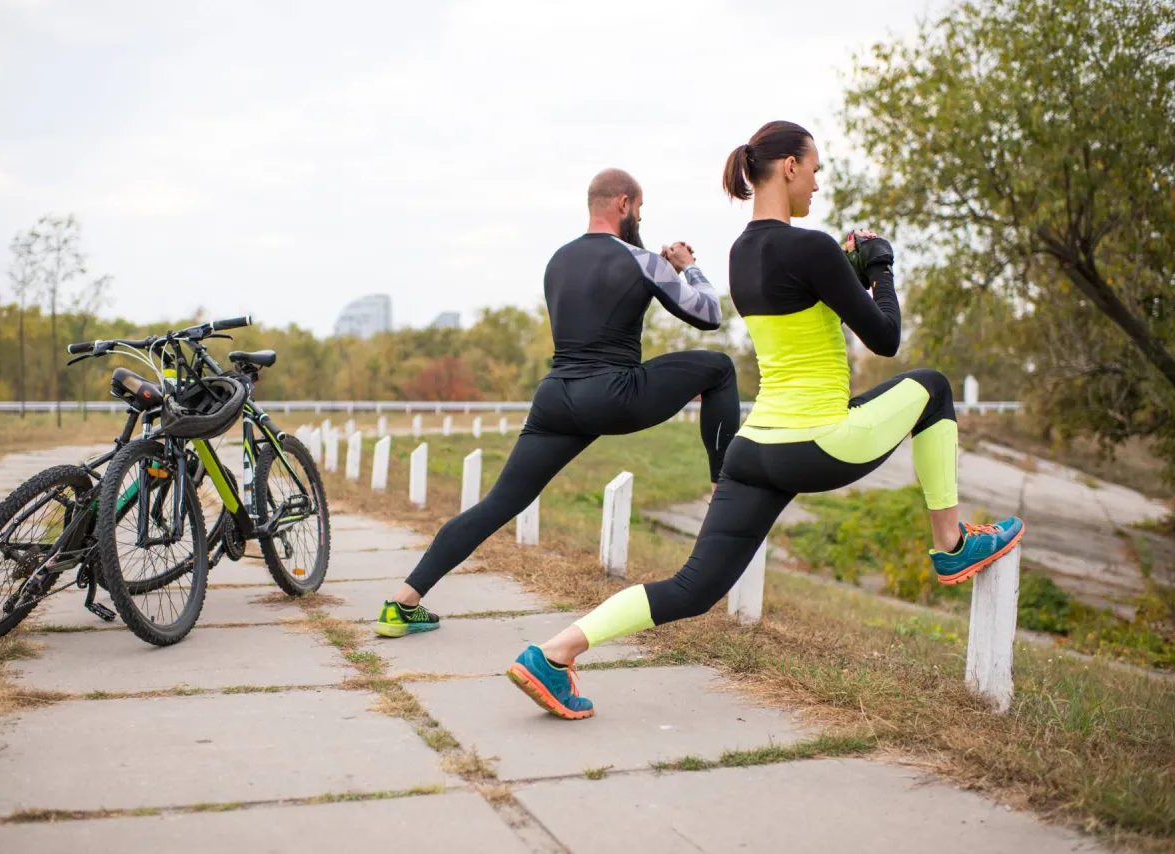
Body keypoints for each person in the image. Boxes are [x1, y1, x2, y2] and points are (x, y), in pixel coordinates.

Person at [505, 121, 1026, 719]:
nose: (818, 184)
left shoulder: (741, 254)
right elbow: (885, 338)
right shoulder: (812, 247)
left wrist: (850, 272)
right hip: (817, 442)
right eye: (815, 170)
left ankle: (553, 654)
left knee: (692, 588)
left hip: (753, 451)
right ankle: (951, 544)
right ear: (789, 167)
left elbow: (808, 312)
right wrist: (881, 268)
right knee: (933, 388)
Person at [374, 168, 741, 638]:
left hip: (556, 398)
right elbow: (708, 314)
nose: (640, 219)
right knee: (720, 368)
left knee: (498, 503)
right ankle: (724, 485)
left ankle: (402, 603)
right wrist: (687, 266)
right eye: (640, 210)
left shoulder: (558, 260)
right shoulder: (644, 261)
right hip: (614, 394)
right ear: (624, 204)